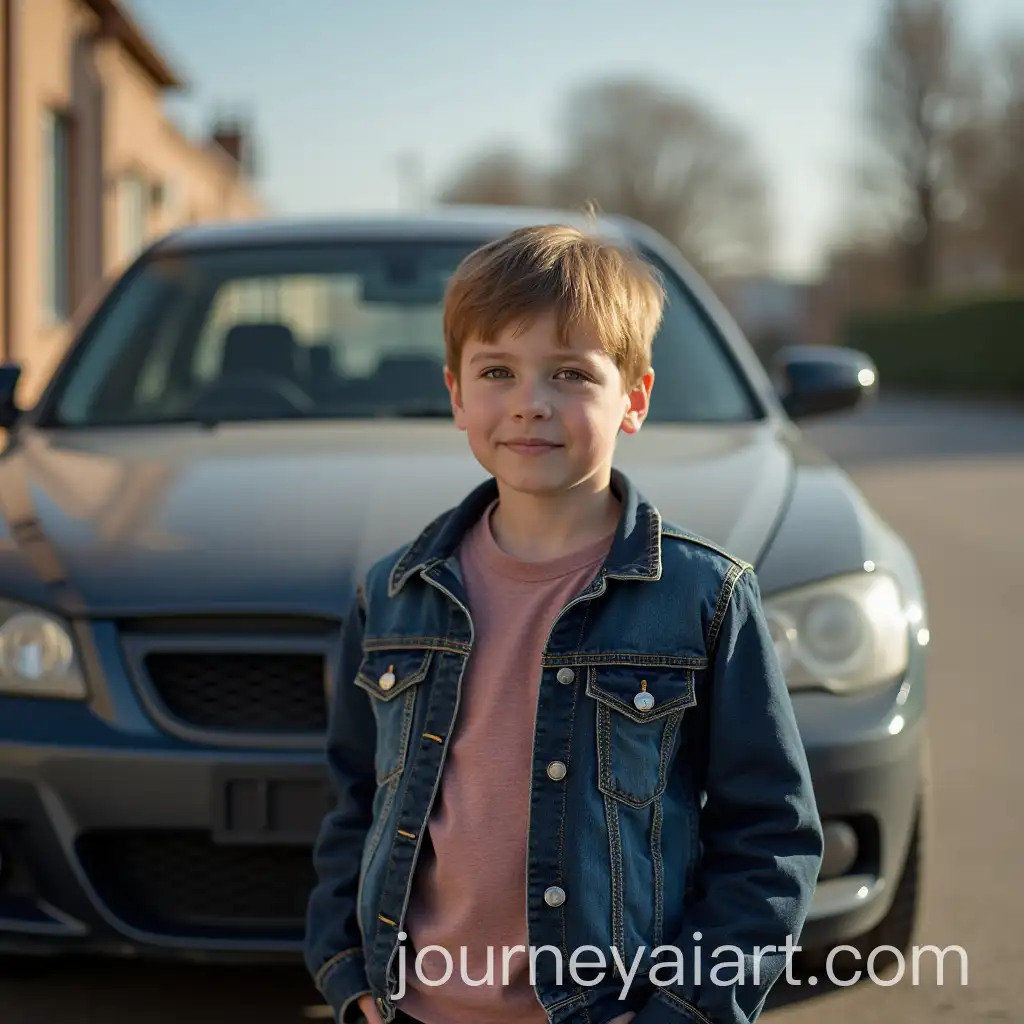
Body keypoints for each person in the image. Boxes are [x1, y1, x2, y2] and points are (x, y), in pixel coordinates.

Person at [304, 223, 824, 1024]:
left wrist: (687, 1008)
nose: (529, 404)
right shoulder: (394, 593)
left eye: (571, 374)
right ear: (457, 395)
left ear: (635, 400)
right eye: (498, 372)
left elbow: (770, 838)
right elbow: (353, 804)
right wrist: (344, 966)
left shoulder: (706, 597)